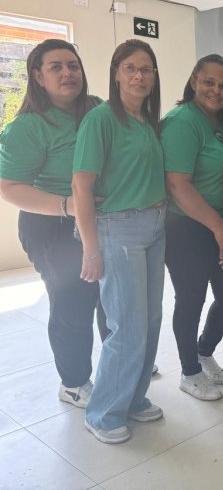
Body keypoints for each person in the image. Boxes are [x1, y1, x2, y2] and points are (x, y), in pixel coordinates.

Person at [0, 39, 104, 408]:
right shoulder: (28, 127)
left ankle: (118, 360)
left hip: (100, 218)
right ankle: (74, 381)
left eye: (73, 65)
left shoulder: (97, 109)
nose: (67, 73)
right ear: (38, 77)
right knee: (73, 303)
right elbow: (10, 188)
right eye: (56, 67)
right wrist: (68, 205)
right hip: (52, 224)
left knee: (110, 297)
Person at [72, 39, 166, 444]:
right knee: (126, 327)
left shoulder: (147, 120)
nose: (139, 76)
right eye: (130, 68)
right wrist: (91, 248)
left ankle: (132, 397)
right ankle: (103, 413)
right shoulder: (100, 119)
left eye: (146, 69)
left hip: (155, 225)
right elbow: (81, 185)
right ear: (116, 73)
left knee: (150, 321)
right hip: (118, 229)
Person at [161, 54, 223, 401]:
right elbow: (179, 185)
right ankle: (189, 372)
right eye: (209, 82)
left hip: (219, 224)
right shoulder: (181, 121)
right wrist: (219, 227)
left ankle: (204, 351)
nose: (216, 90)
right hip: (186, 227)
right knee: (191, 299)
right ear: (194, 81)